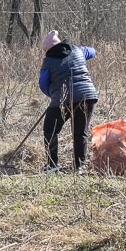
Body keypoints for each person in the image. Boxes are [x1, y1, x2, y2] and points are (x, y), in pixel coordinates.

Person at [39, 30, 98, 172]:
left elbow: (43, 84)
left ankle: (52, 165)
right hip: (87, 96)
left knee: (50, 130)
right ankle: (79, 167)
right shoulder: (78, 50)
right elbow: (93, 51)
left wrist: (53, 95)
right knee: (80, 133)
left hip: (62, 99)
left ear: (48, 50)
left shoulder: (48, 61)